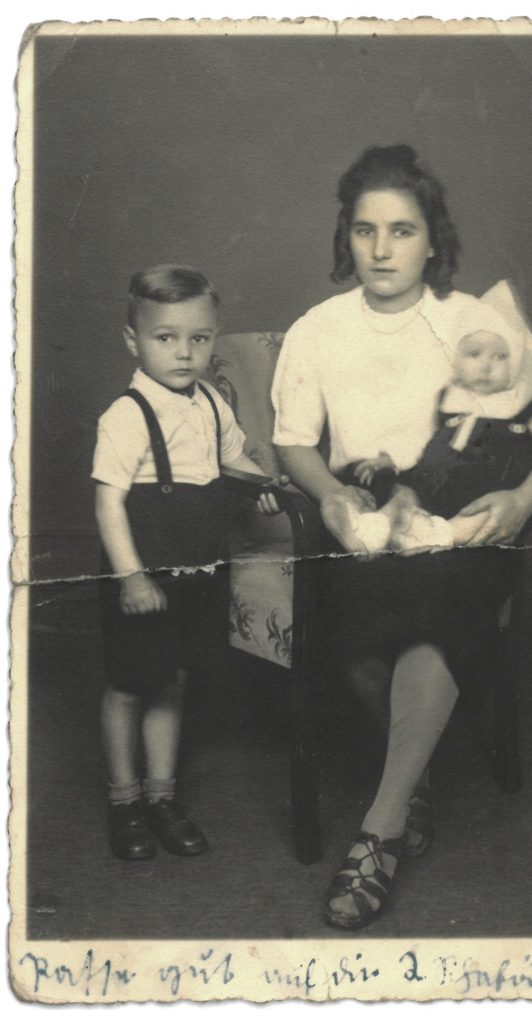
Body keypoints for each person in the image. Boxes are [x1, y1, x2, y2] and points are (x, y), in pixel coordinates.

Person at [271, 145, 532, 930]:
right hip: (369, 522)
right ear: (347, 236)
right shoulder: (318, 328)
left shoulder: (474, 322)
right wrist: (334, 493)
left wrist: (520, 494)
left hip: (466, 524)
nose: (382, 249)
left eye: (401, 231)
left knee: (441, 600)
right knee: (365, 627)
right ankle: (414, 787)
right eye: (366, 230)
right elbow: (294, 442)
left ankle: (377, 831)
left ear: (432, 239)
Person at [93, 264, 277, 861]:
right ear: (133, 342)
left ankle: (161, 797)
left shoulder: (210, 404)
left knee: (172, 679)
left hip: (197, 569)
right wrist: (131, 576)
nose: (183, 353)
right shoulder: (126, 414)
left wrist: (259, 485)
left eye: (198, 339)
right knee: (128, 685)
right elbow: (109, 501)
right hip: (142, 574)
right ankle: (124, 802)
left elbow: (233, 460)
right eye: (165, 338)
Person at [331, 299, 532, 554]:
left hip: (483, 490)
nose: (485, 366)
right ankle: (376, 529)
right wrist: (391, 458)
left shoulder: (527, 402)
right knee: (402, 493)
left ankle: (440, 535)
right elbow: (418, 435)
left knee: (480, 516)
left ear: (516, 361)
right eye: (474, 354)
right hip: (431, 484)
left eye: (500, 356)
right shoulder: (449, 397)